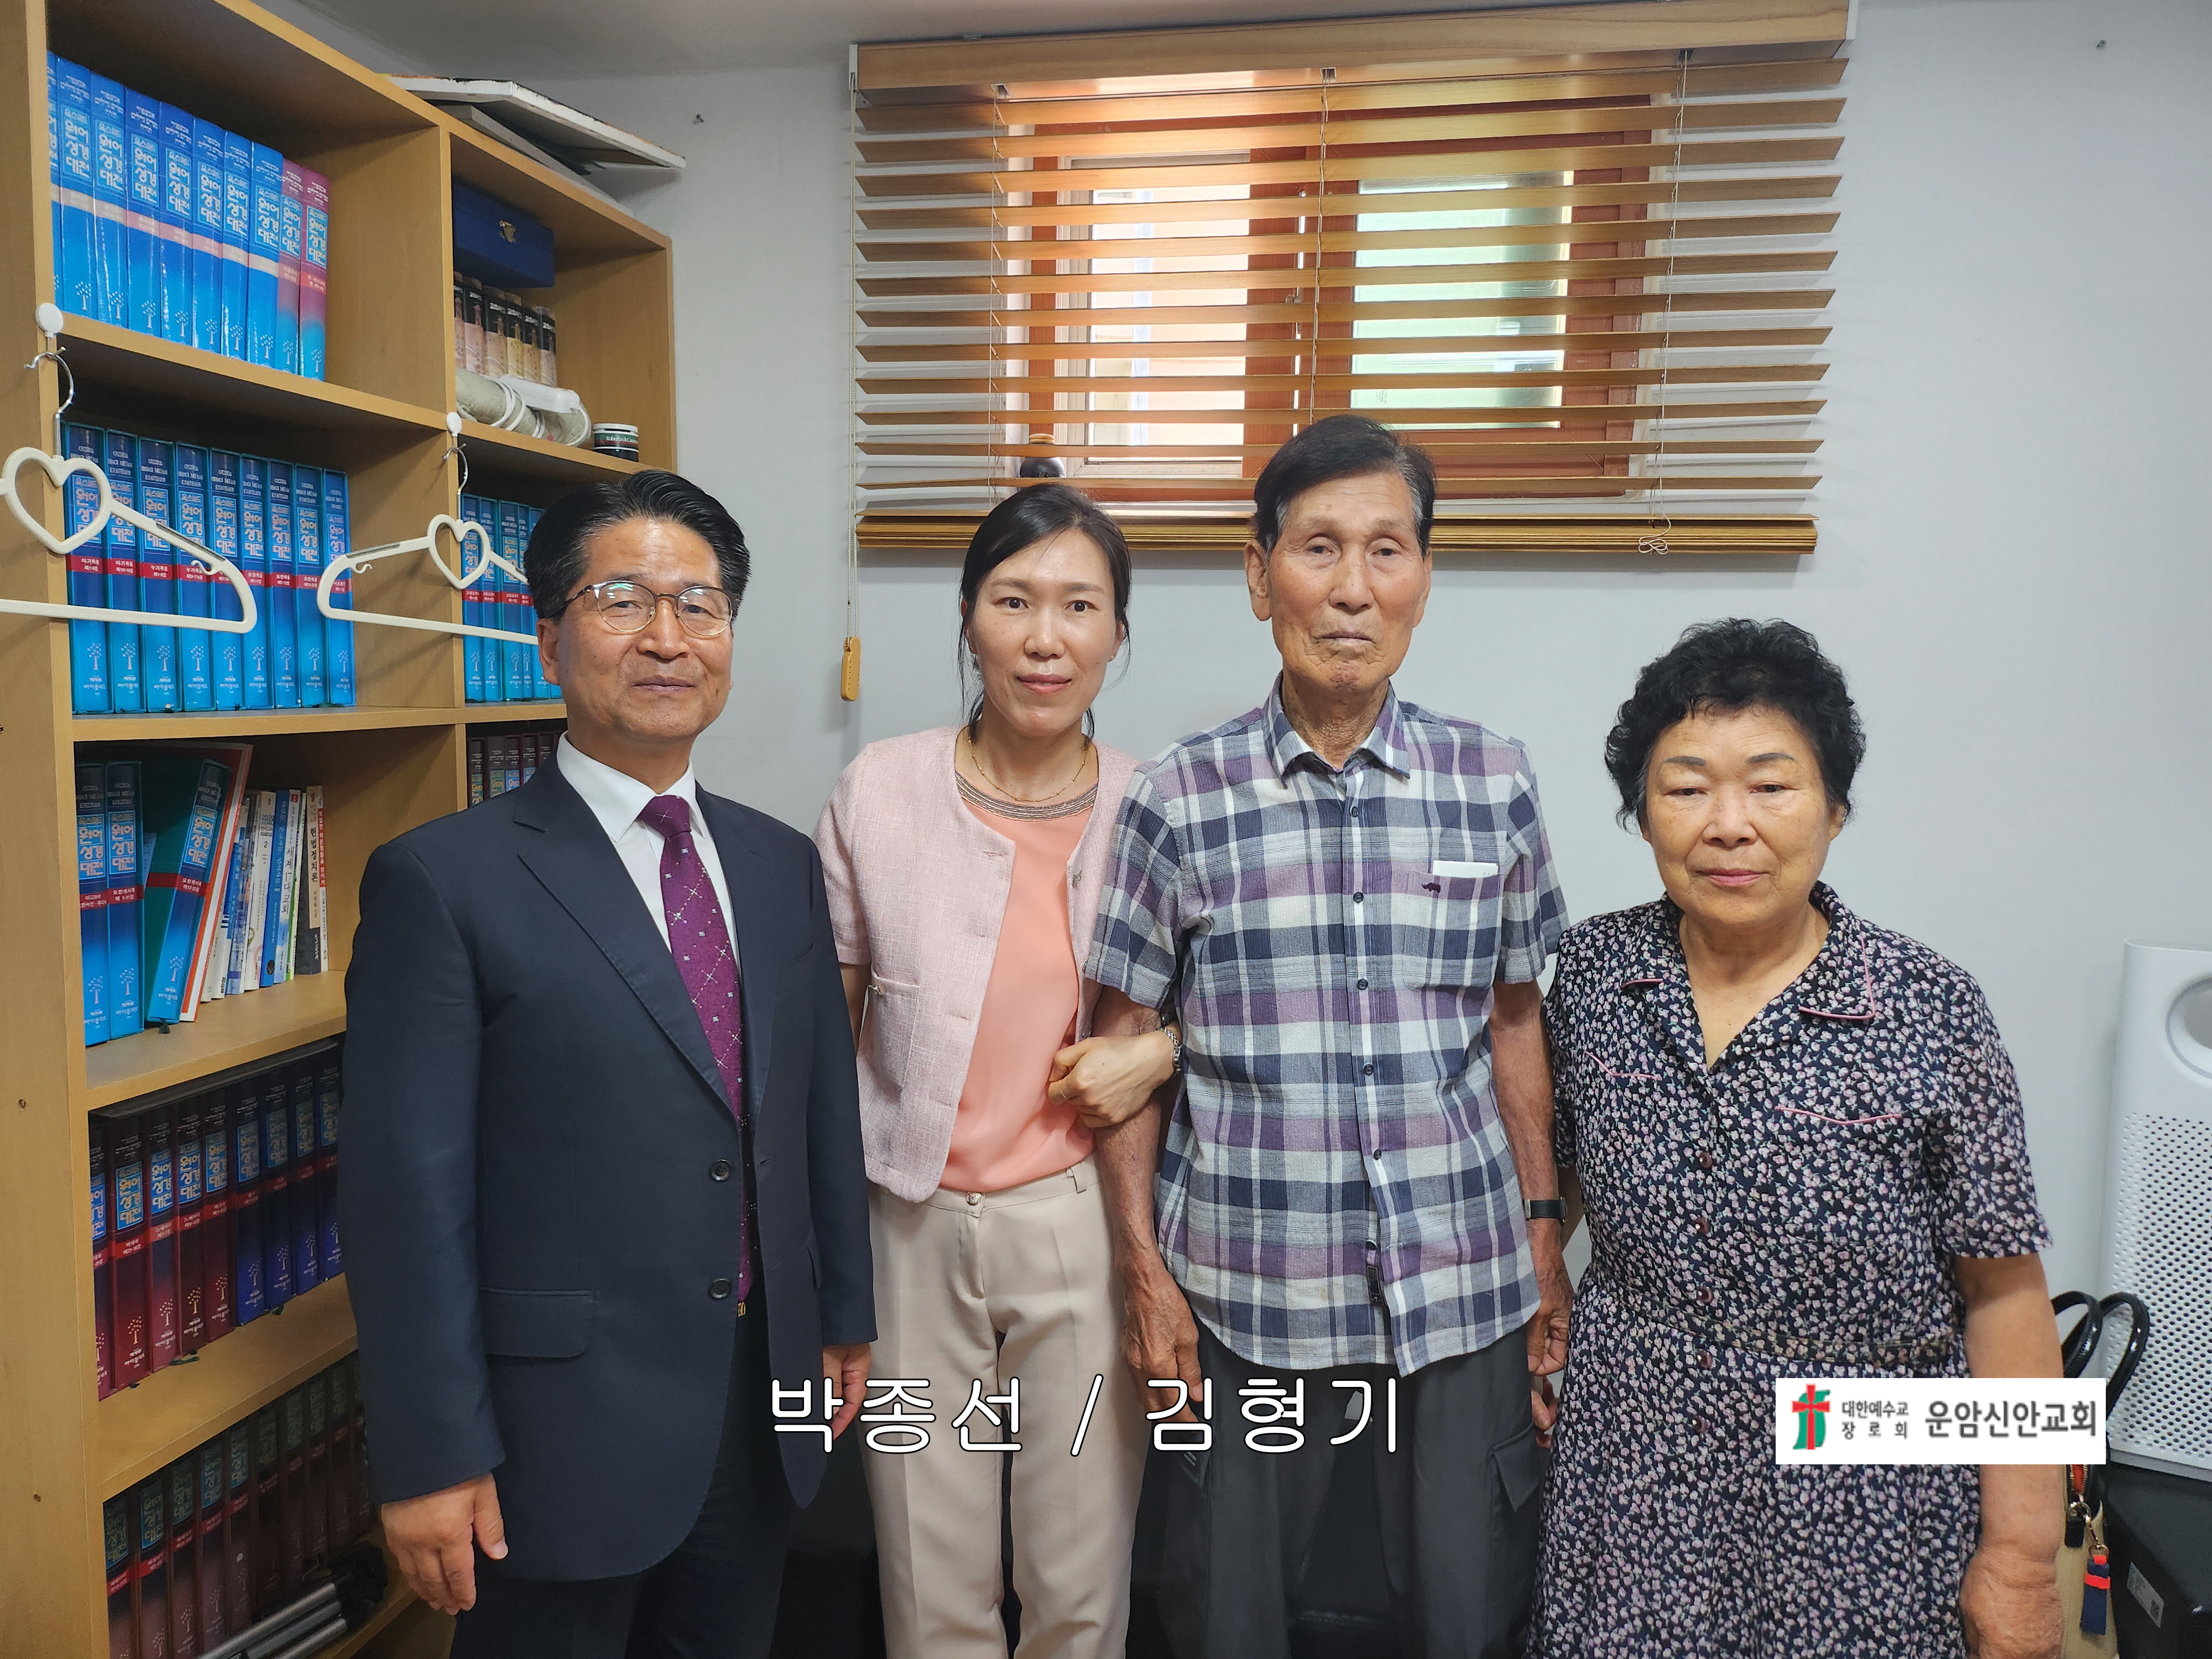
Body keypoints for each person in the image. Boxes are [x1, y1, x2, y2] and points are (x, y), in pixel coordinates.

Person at [341, 471, 875, 1658]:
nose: (667, 638)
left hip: (760, 1396)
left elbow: (815, 1112)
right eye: (623, 600)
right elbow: (403, 1200)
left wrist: (842, 1312)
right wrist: (429, 1453)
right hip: (554, 1430)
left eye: (700, 605)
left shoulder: (778, 862)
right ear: (548, 636)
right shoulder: (444, 881)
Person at [1079, 414, 1571, 1658]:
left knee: (1468, 1615)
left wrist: (1543, 1239)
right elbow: (1121, 1053)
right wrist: (1144, 1277)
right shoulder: (1175, 797)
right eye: (1317, 548)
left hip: (1461, 1280)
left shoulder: (1494, 780)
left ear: (1423, 578)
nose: (1353, 588)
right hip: (1245, 1285)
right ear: (1260, 576)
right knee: (1223, 1617)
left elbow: (1516, 1021)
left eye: (1386, 550)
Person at [1532, 618, 2063, 1659]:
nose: (1728, 826)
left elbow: (2007, 1295)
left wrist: (2022, 1560)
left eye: (1771, 786)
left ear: (1835, 809)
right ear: (1643, 813)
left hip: (1863, 1476)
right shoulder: (1595, 973)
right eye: (1687, 788)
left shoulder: (1931, 1006)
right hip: (1633, 1463)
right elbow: (1559, 1180)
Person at [813, 483, 1161, 1659]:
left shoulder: (1155, 805)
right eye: (1013, 601)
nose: (1044, 638)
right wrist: (822, 1257)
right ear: (969, 619)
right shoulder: (879, 789)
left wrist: (1161, 1047)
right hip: (905, 1224)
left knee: (1079, 1581)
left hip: (1077, 1227)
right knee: (928, 1582)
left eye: (1079, 606)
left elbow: (1234, 1009)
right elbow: (825, 1038)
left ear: (1116, 632)